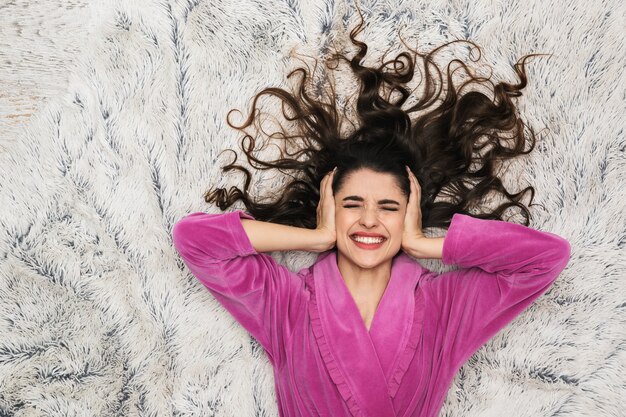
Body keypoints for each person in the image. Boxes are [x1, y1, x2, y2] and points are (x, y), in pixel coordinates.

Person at [171, 9, 572, 417]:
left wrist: (423, 244)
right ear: (329, 209)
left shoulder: (443, 309)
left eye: (388, 207)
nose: (368, 220)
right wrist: (315, 238)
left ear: (409, 213)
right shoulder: (286, 304)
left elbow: (544, 260)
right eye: (352, 204)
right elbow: (195, 241)